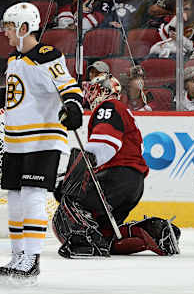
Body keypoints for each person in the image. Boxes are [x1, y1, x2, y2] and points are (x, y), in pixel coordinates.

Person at [0, 2, 84, 286]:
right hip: (15, 141)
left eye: (8, 27)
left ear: (23, 28)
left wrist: (73, 106)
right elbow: (18, 94)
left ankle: (31, 259)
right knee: (16, 198)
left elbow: (67, 86)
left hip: (43, 139)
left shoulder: (46, 56)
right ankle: (18, 256)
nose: (4, 32)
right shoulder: (14, 60)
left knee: (32, 194)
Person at [52, 73, 181, 258]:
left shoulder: (109, 106)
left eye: (93, 90)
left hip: (115, 178)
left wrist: (70, 180)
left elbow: (103, 146)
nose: (89, 95)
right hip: (133, 184)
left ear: (103, 90)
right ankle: (154, 233)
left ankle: (85, 245)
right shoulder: (120, 109)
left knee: (70, 203)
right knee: (106, 234)